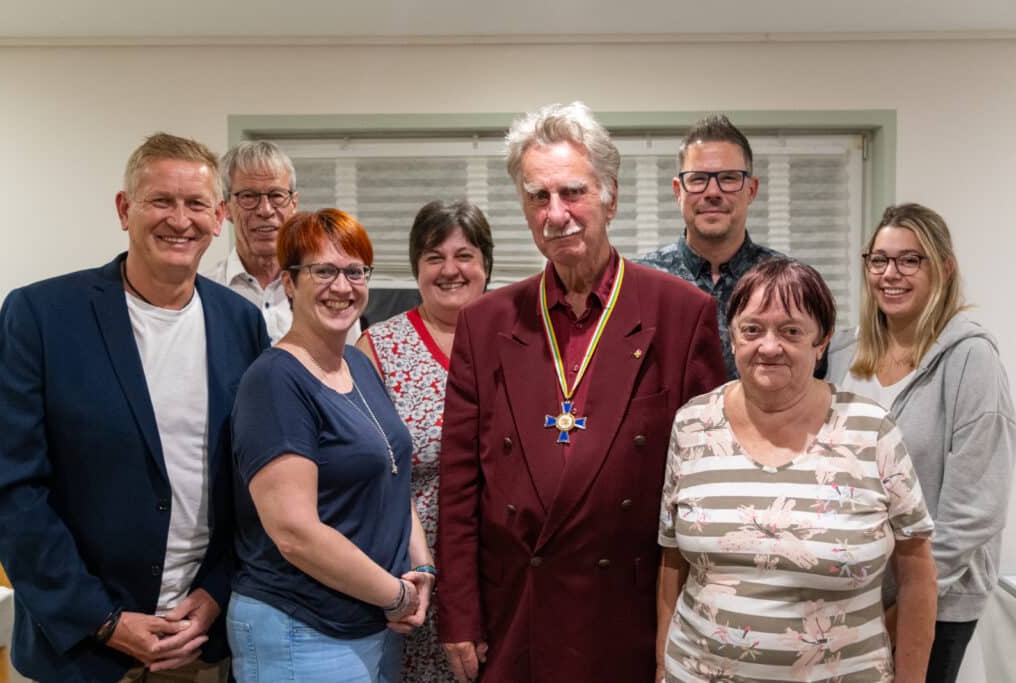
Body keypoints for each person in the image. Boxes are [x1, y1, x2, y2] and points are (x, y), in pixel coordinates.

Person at [435, 101, 727, 683]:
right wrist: (460, 615)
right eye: (538, 197)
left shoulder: (681, 313)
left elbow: (707, 484)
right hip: (517, 607)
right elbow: (459, 484)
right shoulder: (485, 322)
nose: (556, 213)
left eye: (573, 192)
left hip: (630, 608)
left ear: (610, 197)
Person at [0, 133, 269, 681]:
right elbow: (12, 490)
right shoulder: (40, 316)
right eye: (160, 201)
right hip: (79, 648)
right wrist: (103, 620)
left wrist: (215, 592)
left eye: (195, 205)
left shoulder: (241, 323)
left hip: (200, 640)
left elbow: (252, 483)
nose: (179, 220)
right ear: (125, 209)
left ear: (219, 219)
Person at [658, 258, 938, 683]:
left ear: (821, 342)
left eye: (790, 331)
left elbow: (917, 572)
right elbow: (673, 557)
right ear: (732, 337)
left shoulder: (871, 429)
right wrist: (662, 665)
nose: (769, 346)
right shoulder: (692, 423)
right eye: (752, 329)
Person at [228, 208, 435, 683]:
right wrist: (396, 595)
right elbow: (294, 533)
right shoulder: (275, 381)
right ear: (289, 283)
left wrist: (421, 568)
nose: (342, 286)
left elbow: (392, 474)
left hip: (371, 620)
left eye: (355, 271)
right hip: (301, 627)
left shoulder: (357, 365)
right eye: (323, 271)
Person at [828, 203, 1016, 683]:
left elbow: (976, 508)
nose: (891, 274)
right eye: (879, 260)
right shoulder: (844, 353)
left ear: (944, 268)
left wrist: (909, 603)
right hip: (850, 592)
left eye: (910, 260)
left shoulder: (970, 359)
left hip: (937, 600)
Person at [357, 199, 494, 683]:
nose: (450, 269)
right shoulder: (378, 348)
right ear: (416, 267)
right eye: (434, 257)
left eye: (464, 255)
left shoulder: (519, 341)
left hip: (500, 570)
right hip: (415, 573)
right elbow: (368, 475)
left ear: (486, 266)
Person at [637, 115, 784, 379]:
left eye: (728, 178)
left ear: (751, 190)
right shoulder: (640, 285)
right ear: (677, 190)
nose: (713, 192)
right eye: (697, 179)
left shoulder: (787, 282)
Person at [206, 140, 360, 344]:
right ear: (225, 208)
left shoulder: (329, 291)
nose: (265, 210)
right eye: (248, 196)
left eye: (276, 195)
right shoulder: (204, 295)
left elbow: (350, 369)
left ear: (293, 204)